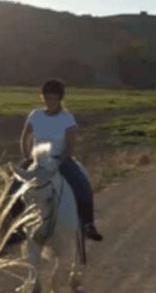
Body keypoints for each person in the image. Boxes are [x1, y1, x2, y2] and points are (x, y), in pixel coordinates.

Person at [13, 79, 103, 241]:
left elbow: (70, 146)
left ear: (60, 99)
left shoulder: (67, 118)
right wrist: (27, 156)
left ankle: (88, 224)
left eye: (54, 99)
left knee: (83, 186)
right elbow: (25, 137)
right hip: (36, 160)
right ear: (43, 98)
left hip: (60, 159)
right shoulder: (36, 115)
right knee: (13, 188)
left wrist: (58, 161)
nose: (50, 102)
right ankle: (16, 228)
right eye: (47, 98)